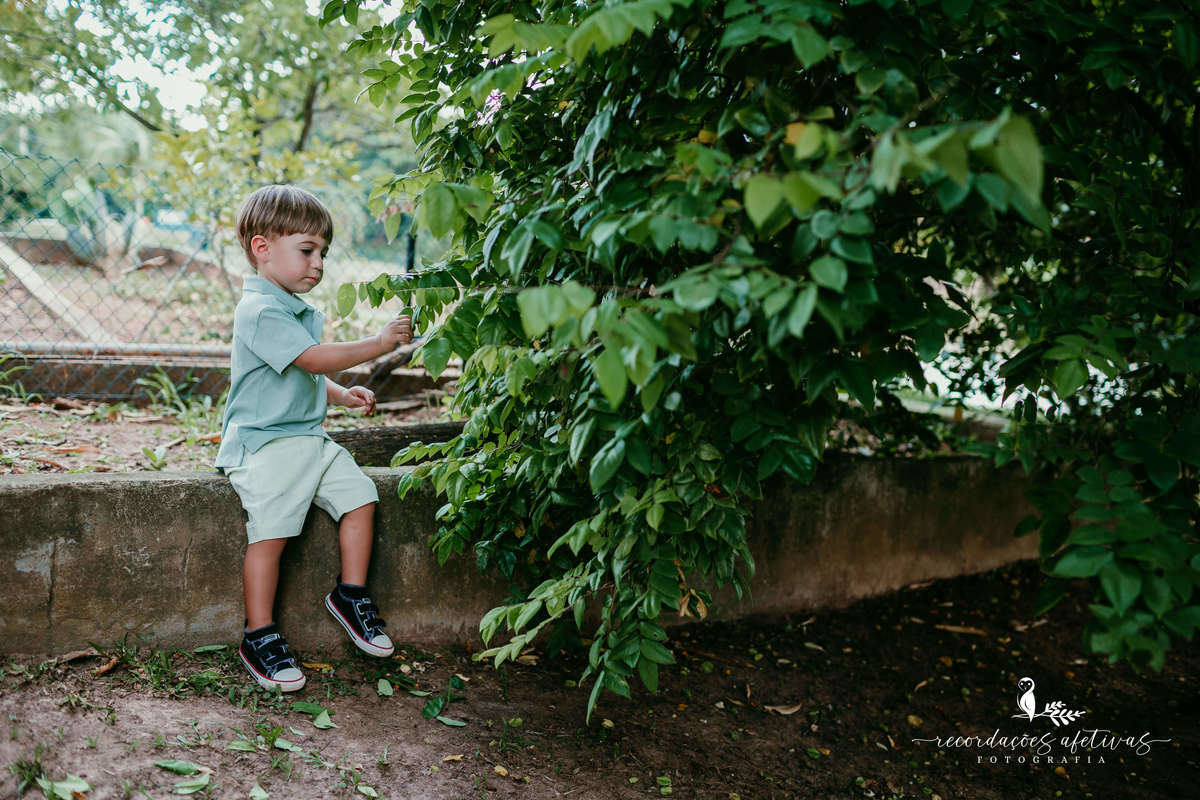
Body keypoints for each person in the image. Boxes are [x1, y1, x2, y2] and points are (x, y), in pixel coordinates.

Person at [215, 184, 413, 692]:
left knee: (361, 497)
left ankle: (350, 594)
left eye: (322, 252)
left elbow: (301, 374)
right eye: (307, 250)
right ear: (263, 248)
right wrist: (377, 343)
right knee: (272, 532)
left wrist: (340, 394)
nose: (318, 263)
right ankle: (257, 633)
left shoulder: (291, 309)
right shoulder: (259, 311)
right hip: (264, 445)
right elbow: (308, 358)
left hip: (307, 440)